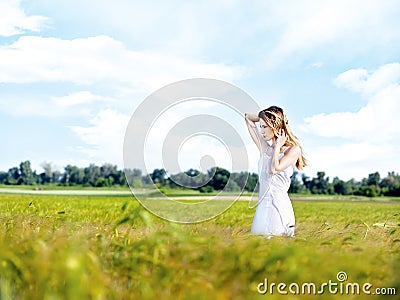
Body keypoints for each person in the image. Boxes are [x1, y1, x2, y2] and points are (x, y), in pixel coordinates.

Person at [245, 106, 306, 237]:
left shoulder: (293, 150)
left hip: (278, 206)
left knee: (278, 246)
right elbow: (248, 118)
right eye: (260, 126)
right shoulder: (265, 148)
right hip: (262, 206)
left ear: (275, 125)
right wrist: (265, 115)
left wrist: (277, 146)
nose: (262, 131)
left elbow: (273, 169)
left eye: (265, 127)